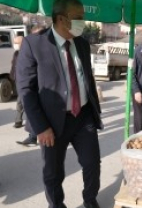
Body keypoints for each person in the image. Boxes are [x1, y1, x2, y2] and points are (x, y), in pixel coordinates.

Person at [16, 0, 103, 207]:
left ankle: (90, 201)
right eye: (79, 16)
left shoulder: (81, 43)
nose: (84, 21)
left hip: (83, 116)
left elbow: (86, 77)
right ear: (62, 19)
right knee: (53, 172)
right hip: (51, 123)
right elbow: (26, 89)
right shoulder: (34, 44)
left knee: (92, 164)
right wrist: (41, 127)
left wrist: (93, 108)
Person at [13, 26, 46, 146]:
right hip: (25, 87)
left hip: (40, 89)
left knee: (33, 110)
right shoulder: (21, 52)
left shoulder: (45, 51)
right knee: (25, 107)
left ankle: (33, 137)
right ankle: (31, 135)